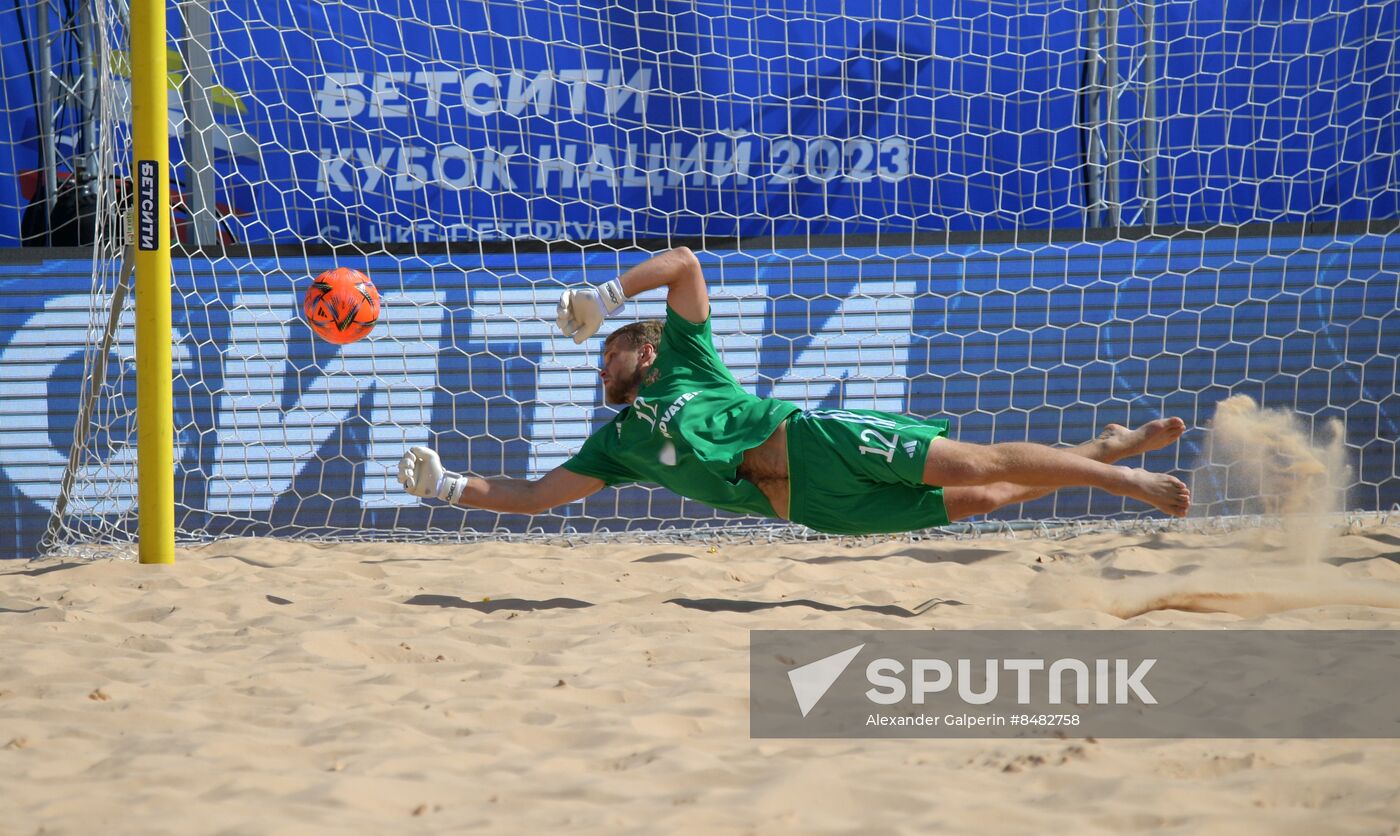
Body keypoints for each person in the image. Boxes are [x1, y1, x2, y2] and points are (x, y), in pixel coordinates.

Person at [397, 247, 1190, 534]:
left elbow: (682, 264)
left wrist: (605, 297)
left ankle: (1125, 478)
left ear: (643, 349)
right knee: (981, 504)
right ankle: (1099, 449)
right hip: (811, 509)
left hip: (815, 439)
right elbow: (536, 497)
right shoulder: (618, 443)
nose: (597, 372)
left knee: (979, 463)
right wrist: (449, 486)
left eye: (606, 358)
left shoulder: (684, 362)